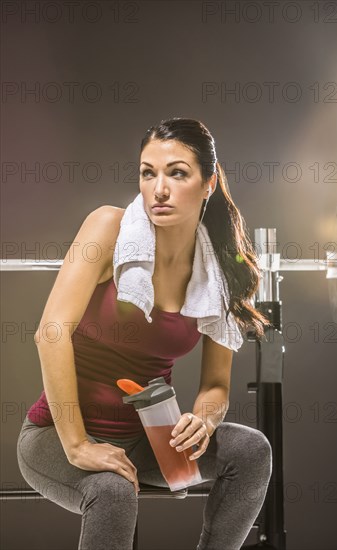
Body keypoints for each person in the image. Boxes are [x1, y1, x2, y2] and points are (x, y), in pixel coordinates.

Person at [17, 117, 273, 550]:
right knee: (112, 492)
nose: (159, 189)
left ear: (208, 184)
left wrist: (204, 420)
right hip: (55, 438)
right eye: (148, 172)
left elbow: (214, 385)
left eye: (177, 173)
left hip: (149, 439)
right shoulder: (109, 228)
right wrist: (78, 445)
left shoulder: (220, 269)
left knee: (252, 450)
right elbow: (50, 333)